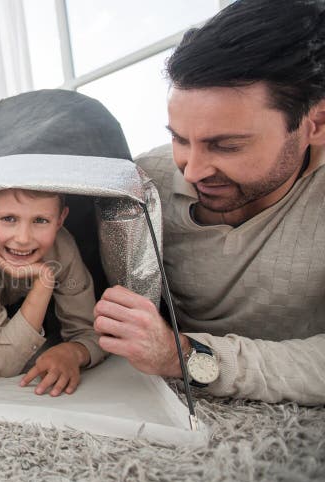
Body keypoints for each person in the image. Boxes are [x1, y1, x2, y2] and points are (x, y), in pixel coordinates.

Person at [94, 0, 325, 404]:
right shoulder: (144, 183)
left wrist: (181, 355)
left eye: (226, 145)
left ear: (315, 125)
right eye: (180, 139)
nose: (193, 170)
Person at [0, 189, 104, 397]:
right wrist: (43, 281)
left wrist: (74, 351)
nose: (23, 238)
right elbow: (3, 363)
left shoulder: (63, 249)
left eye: (40, 220)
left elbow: (89, 332)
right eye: (9, 219)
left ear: (60, 220)